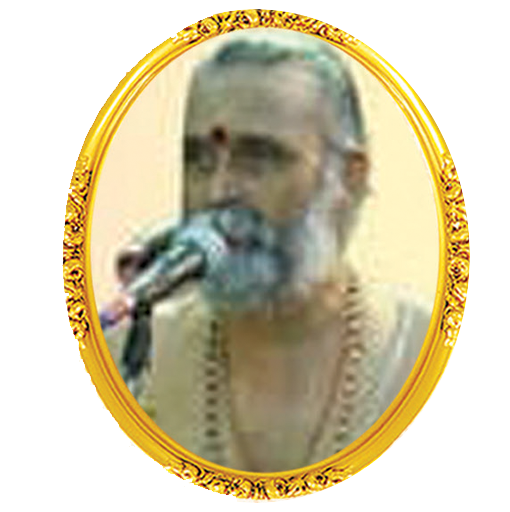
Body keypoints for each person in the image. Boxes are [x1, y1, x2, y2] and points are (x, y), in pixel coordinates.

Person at [102, 31, 432, 473]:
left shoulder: (428, 359)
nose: (218, 191)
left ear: (349, 179)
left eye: (259, 157)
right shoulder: (124, 360)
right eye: (199, 159)